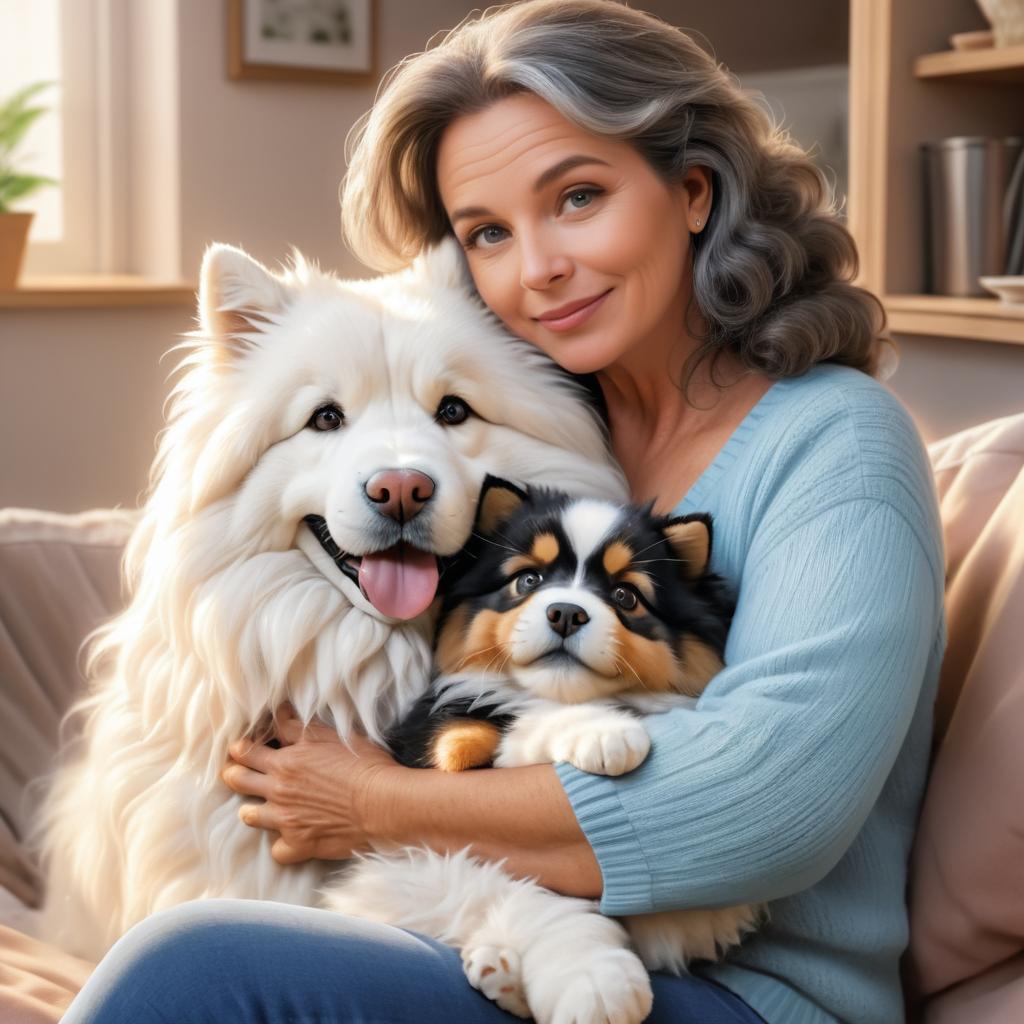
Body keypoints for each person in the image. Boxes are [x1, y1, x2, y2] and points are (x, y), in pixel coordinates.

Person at [61, 2, 944, 1022]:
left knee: (194, 970)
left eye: (576, 197)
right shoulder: (558, 438)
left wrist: (370, 801)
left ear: (693, 192)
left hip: (736, 997)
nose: (536, 269)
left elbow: (770, 806)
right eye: (488, 231)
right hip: (499, 944)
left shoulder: (837, 443)